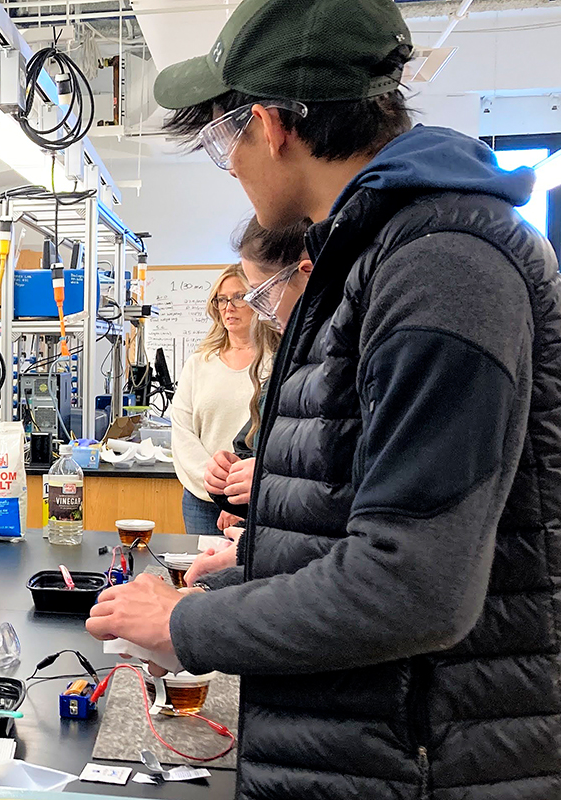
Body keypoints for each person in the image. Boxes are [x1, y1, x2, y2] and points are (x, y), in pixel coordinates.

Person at [86, 0, 561, 797]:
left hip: (421, 763)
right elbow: (340, 530)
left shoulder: (443, 266)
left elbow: (411, 587)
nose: (231, 168)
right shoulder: (369, 258)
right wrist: (212, 592)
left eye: (221, 142)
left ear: (271, 126)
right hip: (356, 748)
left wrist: (184, 624)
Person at [190, 217, 308, 585]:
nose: (261, 309)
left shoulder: (302, 359)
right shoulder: (289, 363)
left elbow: (334, 492)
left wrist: (263, 483)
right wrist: (226, 480)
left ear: (305, 274)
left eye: (256, 294)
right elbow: (253, 446)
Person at [169, 264, 272, 535]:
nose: (229, 307)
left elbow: (276, 433)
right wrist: (216, 485)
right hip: (201, 499)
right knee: (202, 573)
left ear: (258, 299)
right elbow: (182, 431)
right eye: (222, 299)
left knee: (249, 573)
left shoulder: (277, 362)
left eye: (239, 297)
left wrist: (239, 493)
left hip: (254, 496)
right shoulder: (199, 363)